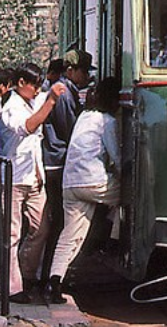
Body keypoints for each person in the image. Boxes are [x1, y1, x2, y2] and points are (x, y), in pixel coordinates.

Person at [0, 63, 65, 304]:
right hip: (14, 177)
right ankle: (12, 287)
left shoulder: (34, 99)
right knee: (11, 233)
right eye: (34, 85)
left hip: (35, 176)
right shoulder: (11, 105)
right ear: (21, 83)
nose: (37, 90)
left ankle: (26, 274)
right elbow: (27, 127)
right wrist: (51, 102)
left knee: (40, 227)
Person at [47, 77, 121, 304]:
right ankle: (114, 239)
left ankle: (55, 281)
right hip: (93, 181)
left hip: (70, 184)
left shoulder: (83, 117)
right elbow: (116, 156)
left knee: (69, 235)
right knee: (131, 195)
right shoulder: (107, 121)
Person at [40, 49, 94, 288]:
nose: (85, 76)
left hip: (59, 161)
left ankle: (52, 274)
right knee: (59, 224)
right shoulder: (63, 94)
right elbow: (69, 130)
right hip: (57, 162)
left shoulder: (69, 91)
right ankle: (50, 276)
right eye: (83, 71)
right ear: (71, 71)